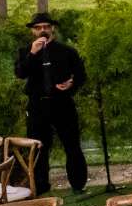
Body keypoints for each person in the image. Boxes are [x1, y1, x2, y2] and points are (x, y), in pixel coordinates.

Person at [13, 14, 88, 194]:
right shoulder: (26, 52)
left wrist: (71, 83)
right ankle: (41, 187)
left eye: (46, 26)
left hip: (62, 103)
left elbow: (81, 75)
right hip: (38, 105)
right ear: (33, 31)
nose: (43, 30)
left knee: (72, 145)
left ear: (52, 28)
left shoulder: (66, 51)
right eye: (38, 27)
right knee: (39, 148)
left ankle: (78, 185)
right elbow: (20, 73)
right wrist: (32, 53)